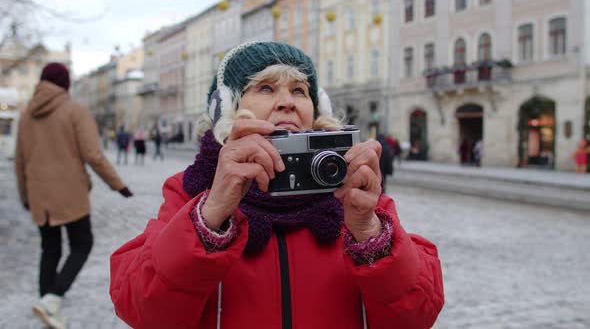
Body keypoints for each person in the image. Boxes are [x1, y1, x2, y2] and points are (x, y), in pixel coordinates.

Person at [109, 42, 444, 329]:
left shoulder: (351, 189)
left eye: (299, 91)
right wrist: (210, 217)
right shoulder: (192, 191)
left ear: (316, 108)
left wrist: (369, 232)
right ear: (228, 107)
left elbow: (416, 315)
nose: (288, 102)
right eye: (266, 88)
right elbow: (144, 311)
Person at [15, 63, 134, 329]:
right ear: (65, 83)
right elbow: (93, 154)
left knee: (50, 248)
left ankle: (48, 304)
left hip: (38, 193)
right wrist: (119, 185)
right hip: (70, 193)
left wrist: (25, 195)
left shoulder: (26, 114)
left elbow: (20, 161)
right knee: (83, 243)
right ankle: (53, 299)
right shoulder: (75, 110)